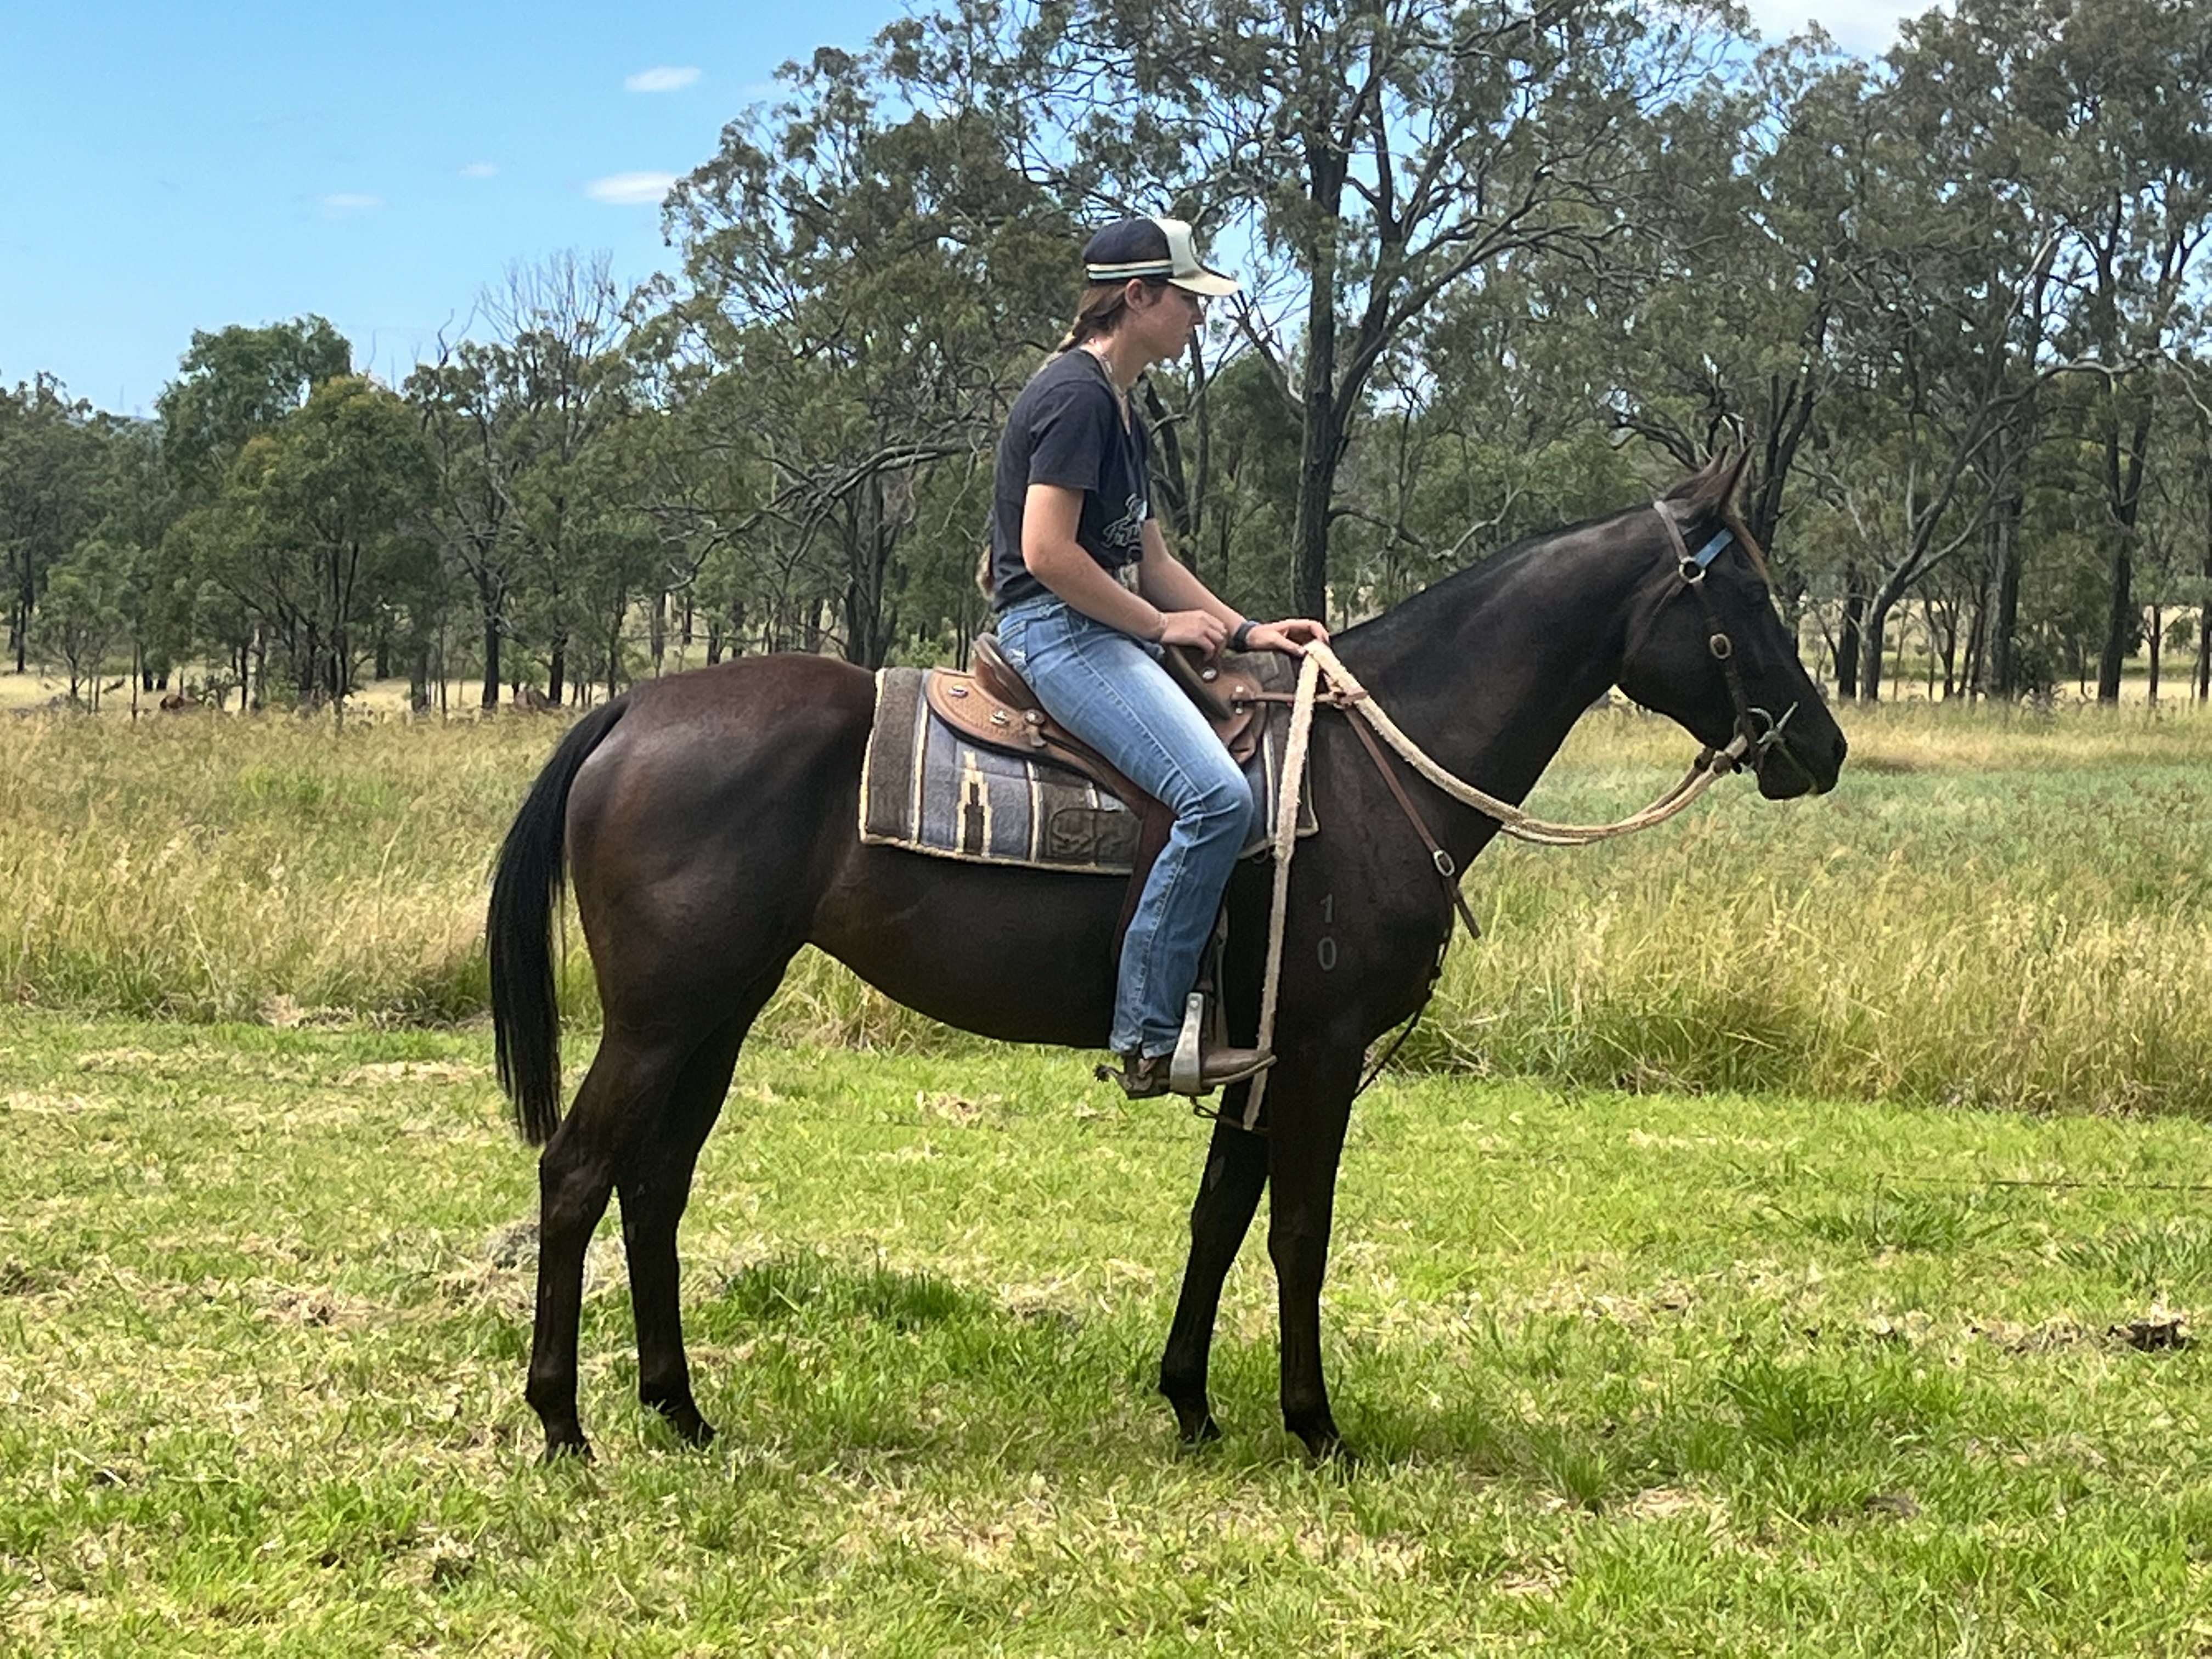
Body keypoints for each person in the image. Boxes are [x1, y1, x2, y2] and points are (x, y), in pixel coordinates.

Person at [988, 216, 1330, 1099]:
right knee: (1216, 798)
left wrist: (1248, 631)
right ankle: (1148, 1033)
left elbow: (1153, 560)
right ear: (1136, 297)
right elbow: (1048, 553)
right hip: (1057, 631)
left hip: (1098, 625)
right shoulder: (1077, 397)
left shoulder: (1121, 406)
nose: (1199, 317)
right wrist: (1156, 627)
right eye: (1188, 299)